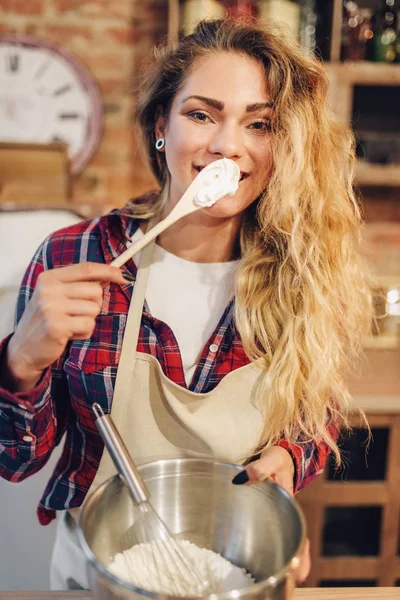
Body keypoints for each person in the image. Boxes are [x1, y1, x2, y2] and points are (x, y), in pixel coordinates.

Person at [0, 18, 372, 590]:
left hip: (230, 572)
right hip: (98, 574)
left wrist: (289, 461)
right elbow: (16, 461)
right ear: (160, 126)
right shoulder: (73, 255)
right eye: (202, 114)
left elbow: (312, 420)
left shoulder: (303, 275)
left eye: (260, 124)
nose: (228, 144)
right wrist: (21, 360)